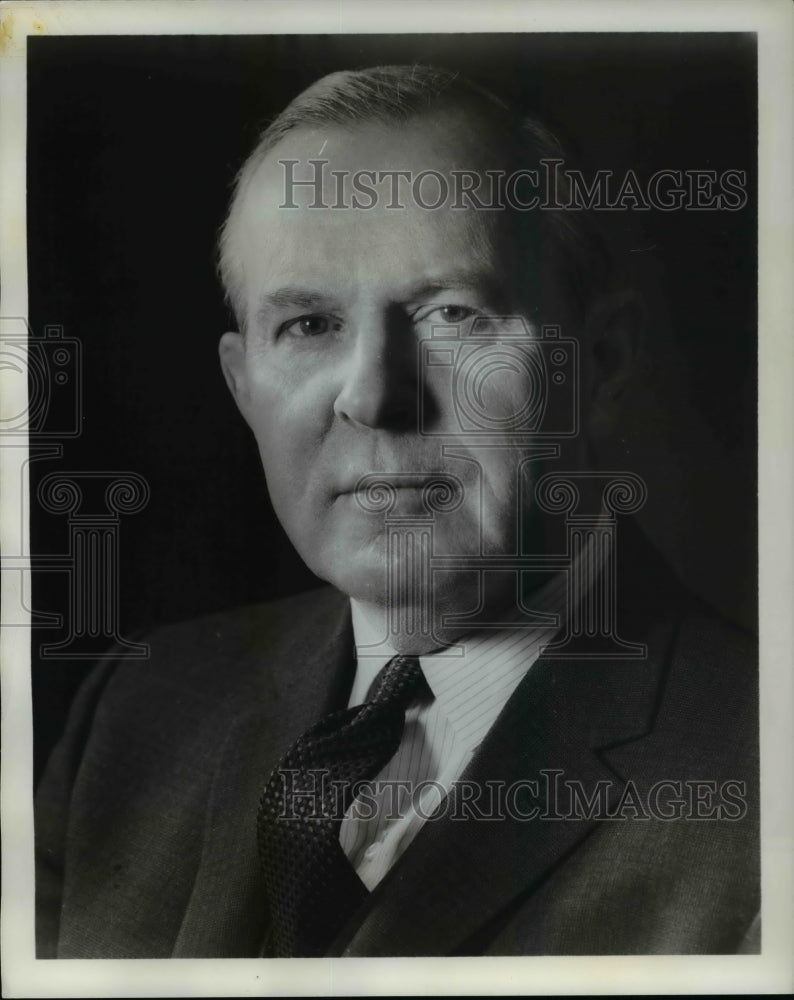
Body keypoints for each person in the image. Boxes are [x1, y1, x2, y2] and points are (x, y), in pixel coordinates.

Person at [35, 65, 759, 958]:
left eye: (452, 313)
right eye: (308, 326)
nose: (376, 397)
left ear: (601, 363)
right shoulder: (134, 718)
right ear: (242, 385)